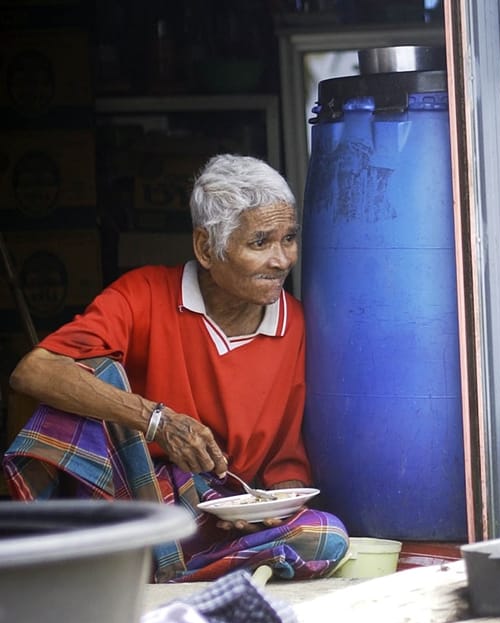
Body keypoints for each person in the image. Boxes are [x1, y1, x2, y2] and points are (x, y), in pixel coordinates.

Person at [2, 154, 349, 583]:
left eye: (289, 239)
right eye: (260, 243)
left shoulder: (295, 324)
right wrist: (156, 421)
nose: (281, 260)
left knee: (326, 534)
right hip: (131, 501)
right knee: (87, 376)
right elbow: (32, 371)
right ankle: (127, 564)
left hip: (213, 519)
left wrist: (264, 510)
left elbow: (285, 466)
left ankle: (167, 574)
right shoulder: (142, 292)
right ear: (206, 248)